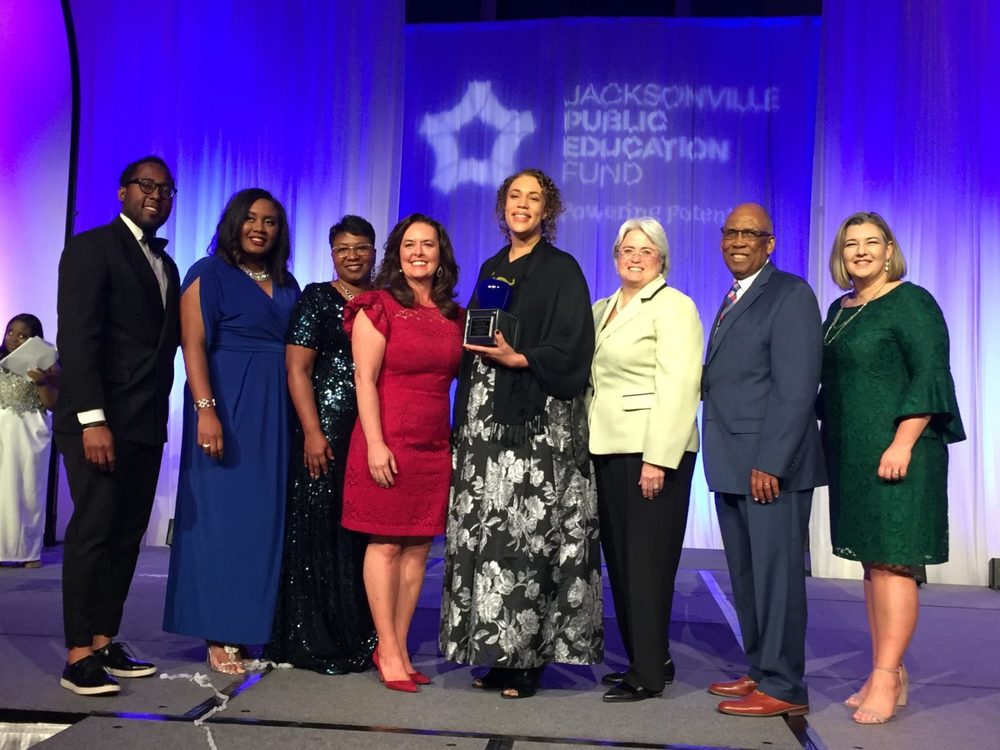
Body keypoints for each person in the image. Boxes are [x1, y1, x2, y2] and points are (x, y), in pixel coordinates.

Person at [440, 168, 603, 700]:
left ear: (547, 211)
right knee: (487, 542)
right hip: (486, 419)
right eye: (515, 196)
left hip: (534, 426)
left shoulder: (562, 270)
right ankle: (492, 652)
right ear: (502, 206)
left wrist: (522, 355)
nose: (523, 205)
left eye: (534, 199)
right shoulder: (490, 266)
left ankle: (527, 659)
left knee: (527, 544)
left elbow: (574, 345)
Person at [819, 211, 964, 725]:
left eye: (871, 242)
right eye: (851, 243)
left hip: (901, 451)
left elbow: (930, 374)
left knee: (895, 561)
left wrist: (902, 442)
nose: (860, 251)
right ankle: (889, 670)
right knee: (872, 562)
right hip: (852, 454)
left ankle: (885, 674)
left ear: (888, 249)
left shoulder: (912, 301)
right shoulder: (840, 309)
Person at [54, 156, 181, 695]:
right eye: (145, 186)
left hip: (146, 423)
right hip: (98, 422)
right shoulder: (90, 248)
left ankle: (104, 639)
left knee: (127, 537)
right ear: (122, 191)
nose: (155, 195)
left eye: (165, 188)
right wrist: (91, 420)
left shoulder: (166, 266)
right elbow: (79, 340)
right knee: (93, 533)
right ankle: (77, 653)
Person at [164, 188, 301, 675]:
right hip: (226, 399)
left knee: (262, 520)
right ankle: (218, 631)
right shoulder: (208, 274)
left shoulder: (287, 283)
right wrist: (206, 410)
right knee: (221, 518)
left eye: (269, 221)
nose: (260, 227)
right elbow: (193, 344)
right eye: (251, 218)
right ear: (234, 223)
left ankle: (250, 625)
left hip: (275, 408)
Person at [701, 202, 825, 717]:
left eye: (749, 233)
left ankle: (784, 685)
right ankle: (760, 668)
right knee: (748, 576)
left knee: (776, 578)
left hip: (770, 468)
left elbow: (797, 389)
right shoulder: (734, 296)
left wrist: (771, 462)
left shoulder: (790, 294)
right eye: (730, 232)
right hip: (733, 461)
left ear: (769, 244)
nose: (737, 241)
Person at [340, 213, 463, 693]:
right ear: (397, 252)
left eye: (428, 245)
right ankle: (386, 647)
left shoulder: (452, 314)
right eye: (410, 244)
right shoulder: (379, 306)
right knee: (386, 544)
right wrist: (374, 443)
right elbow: (364, 380)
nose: (418, 252)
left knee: (418, 551)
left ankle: (399, 646)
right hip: (386, 441)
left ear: (440, 254)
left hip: (433, 447)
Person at [586, 218, 703, 703]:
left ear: (662, 259)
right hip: (606, 447)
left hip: (652, 451)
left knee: (648, 564)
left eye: (646, 250)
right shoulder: (601, 308)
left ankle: (648, 675)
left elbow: (679, 387)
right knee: (622, 561)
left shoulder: (675, 307)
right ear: (615, 255)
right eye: (626, 249)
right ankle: (648, 657)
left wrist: (659, 459)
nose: (634, 257)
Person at [265, 215, 378, 672]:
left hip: (369, 431)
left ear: (375, 251)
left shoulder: (384, 300)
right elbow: (297, 370)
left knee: (358, 535)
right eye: (343, 248)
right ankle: (311, 635)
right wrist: (312, 432)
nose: (352, 256)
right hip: (326, 431)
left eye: (361, 247)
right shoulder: (316, 298)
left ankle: (359, 631)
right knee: (320, 532)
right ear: (332, 253)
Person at [0, 314, 59, 567]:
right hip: (3, 430)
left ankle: (27, 552)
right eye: (10, 332)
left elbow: (51, 403)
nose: (14, 338)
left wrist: (41, 380)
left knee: (27, 491)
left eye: (22, 335)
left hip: (28, 435)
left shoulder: (47, 365)